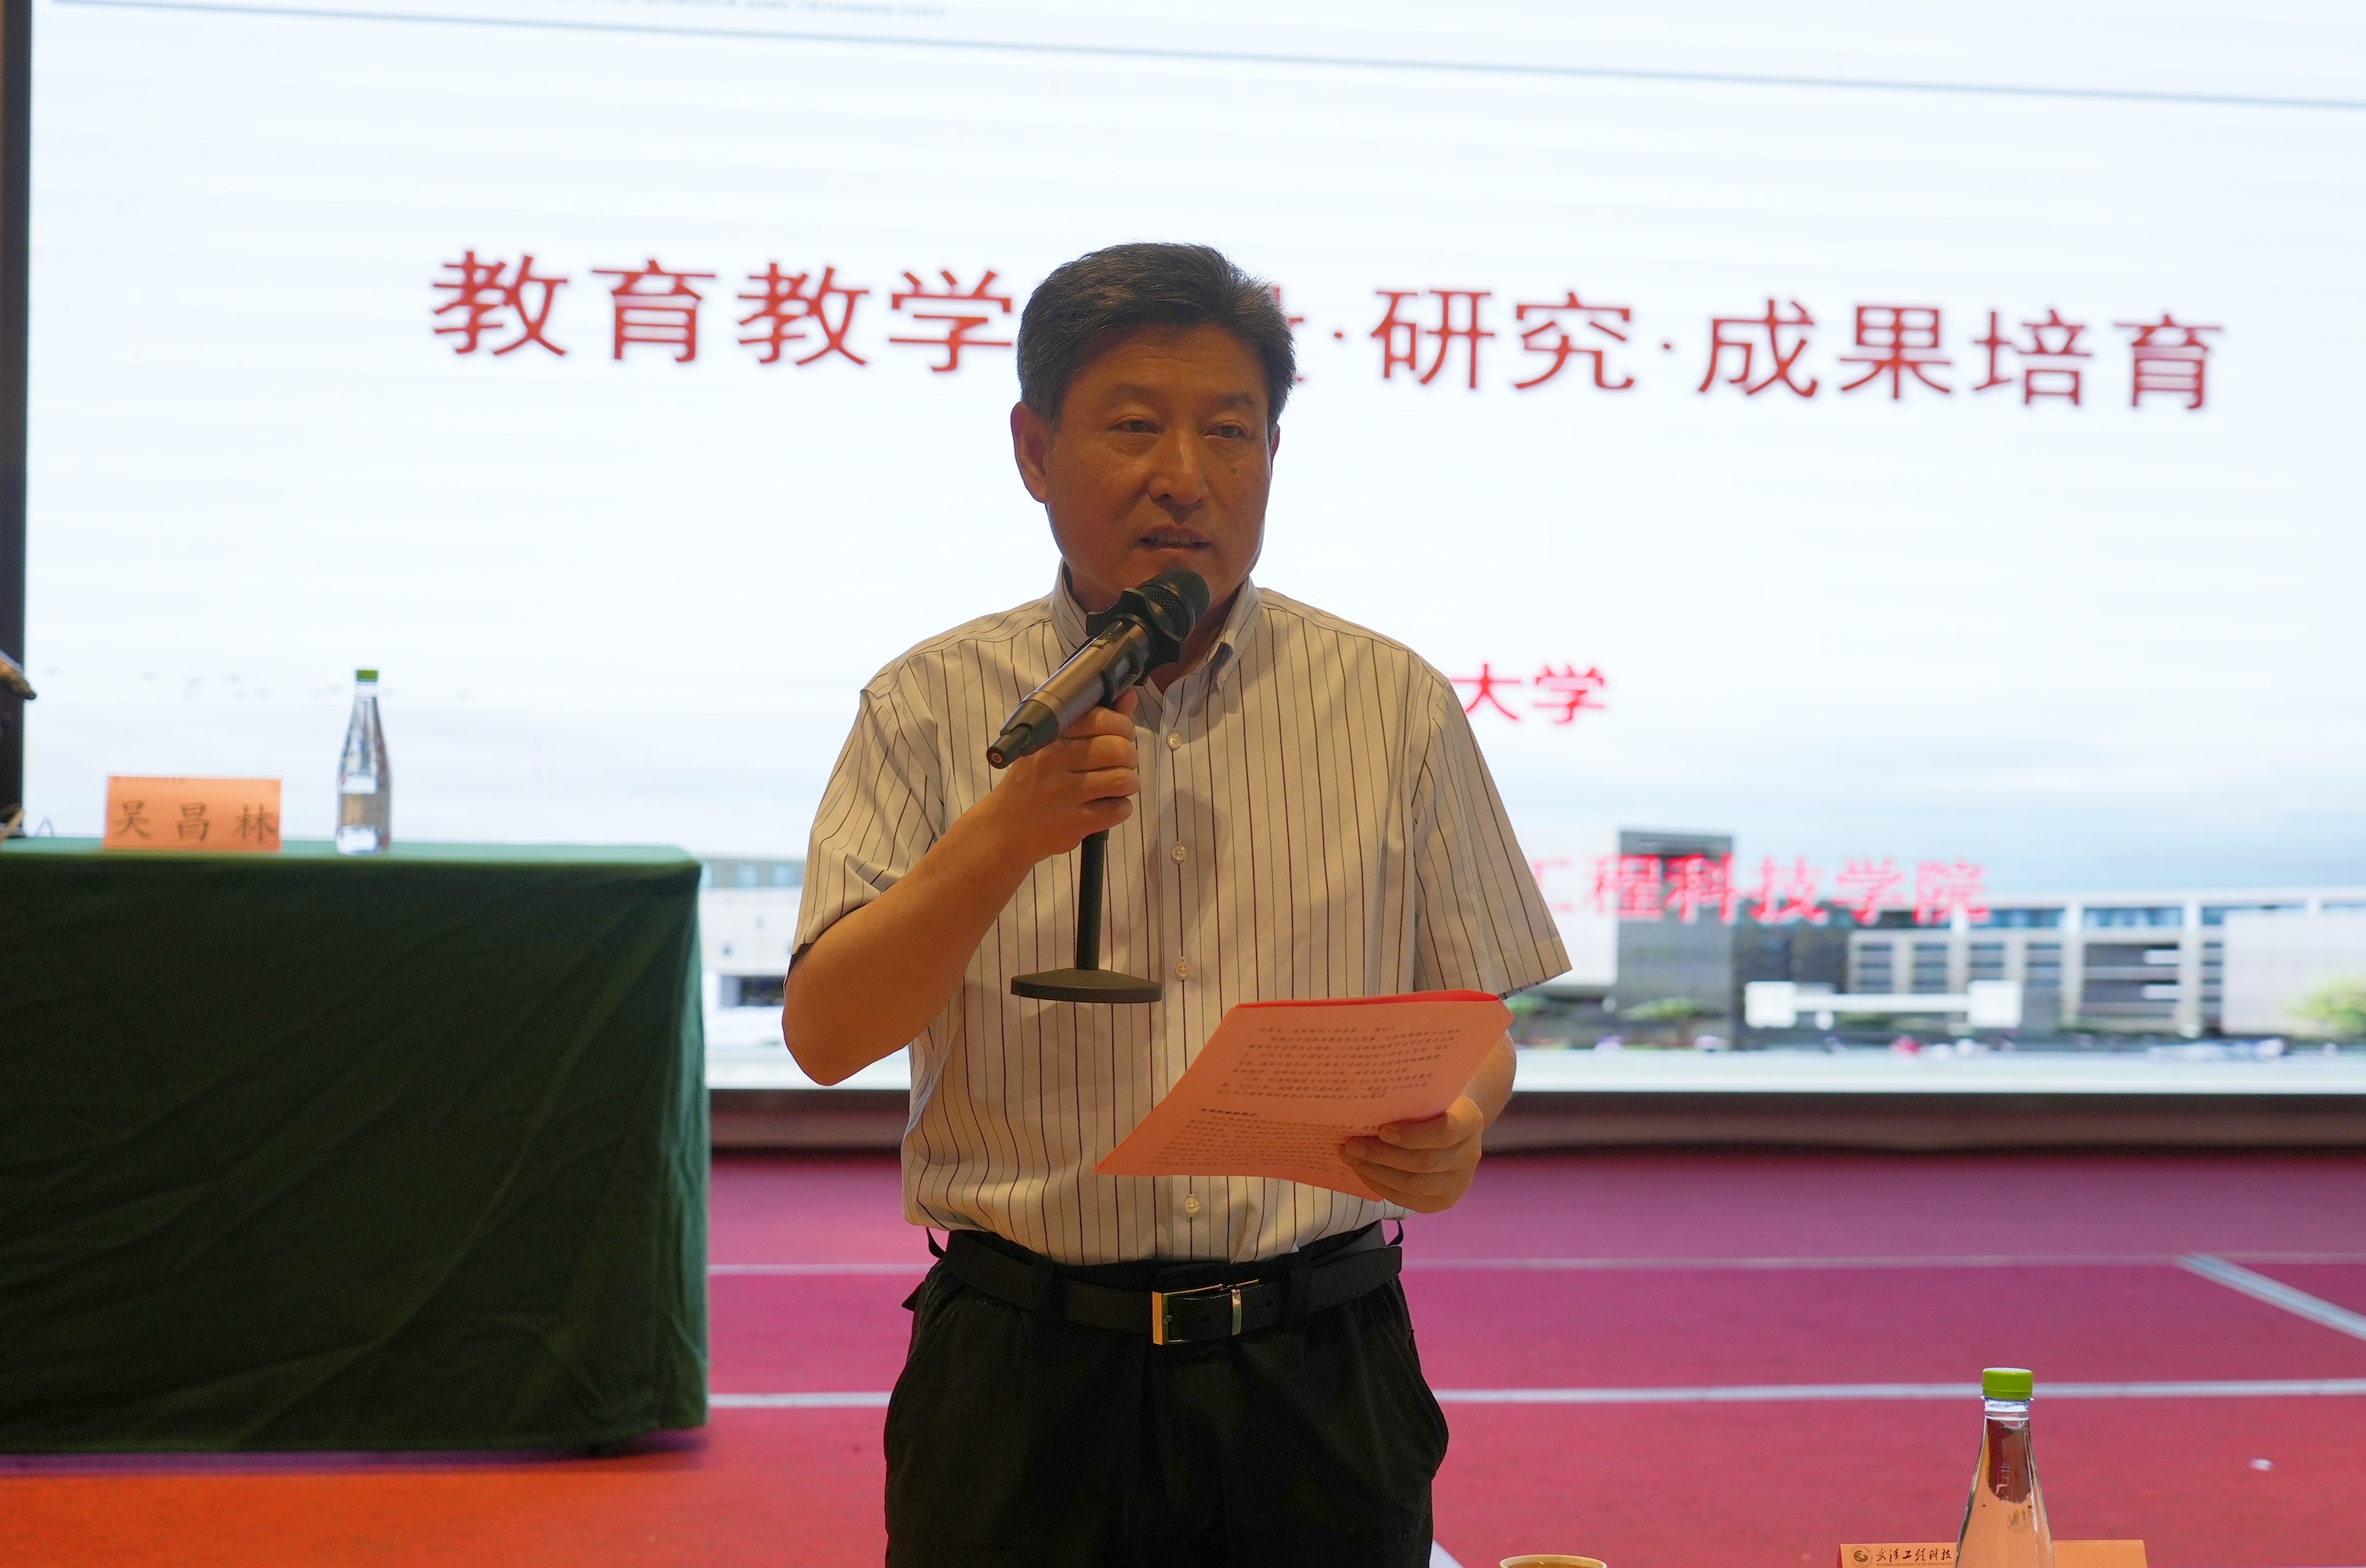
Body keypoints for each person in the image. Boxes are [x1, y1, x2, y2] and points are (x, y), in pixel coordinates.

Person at [785, 241, 1567, 1568]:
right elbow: (825, 1035)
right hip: (1023, 1374)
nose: (1185, 476)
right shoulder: (927, 704)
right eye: (1135, 427)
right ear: (1034, 450)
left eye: (1230, 432)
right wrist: (998, 840)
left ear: (1274, 453)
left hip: (1317, 1371)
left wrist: (1458, 1117)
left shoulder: (1392, 703)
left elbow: (1468, 1017)